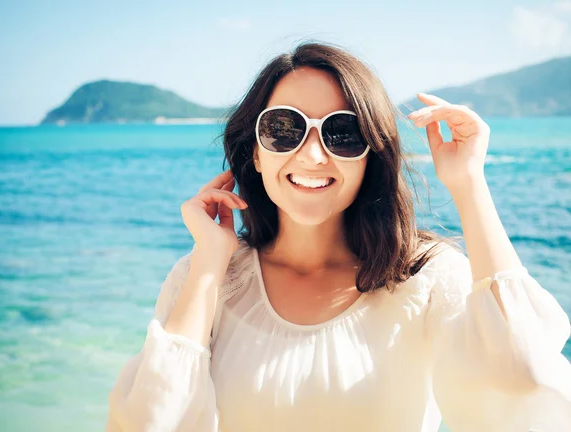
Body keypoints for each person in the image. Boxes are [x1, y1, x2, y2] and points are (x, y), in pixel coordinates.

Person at [105, 42, 571, 432]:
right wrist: (209, 265)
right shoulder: (205, 277)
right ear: (257, 153)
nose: (312, 156)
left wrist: (469, 184)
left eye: (342, 133)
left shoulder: (426, 278)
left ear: (371, 154)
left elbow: (528, 385)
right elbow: (149, 421)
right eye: (284, 130)